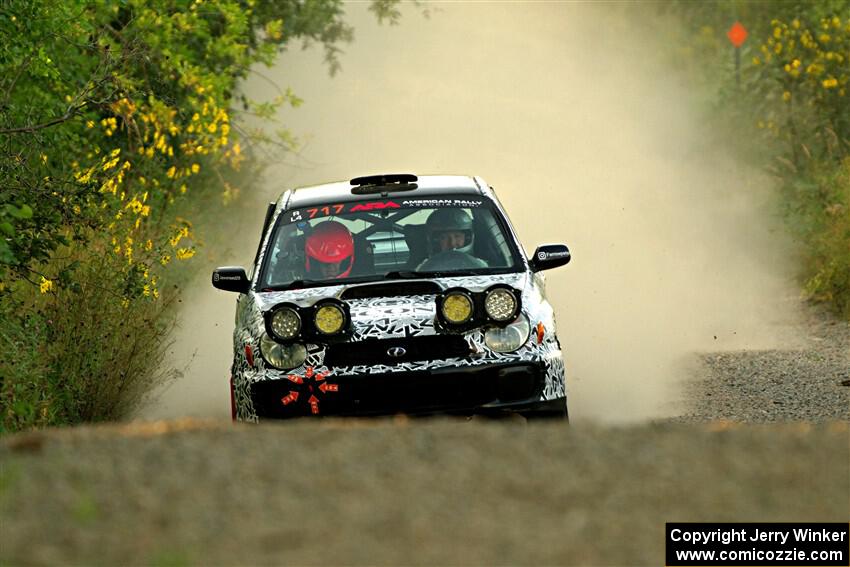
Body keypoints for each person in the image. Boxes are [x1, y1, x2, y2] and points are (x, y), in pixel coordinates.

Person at [417, 208, 487, 270]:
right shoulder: (424, 268)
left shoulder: (481, 266)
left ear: (467, 238)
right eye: (444, 237)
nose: (452, 243)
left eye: (457, 236)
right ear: (435, 241)